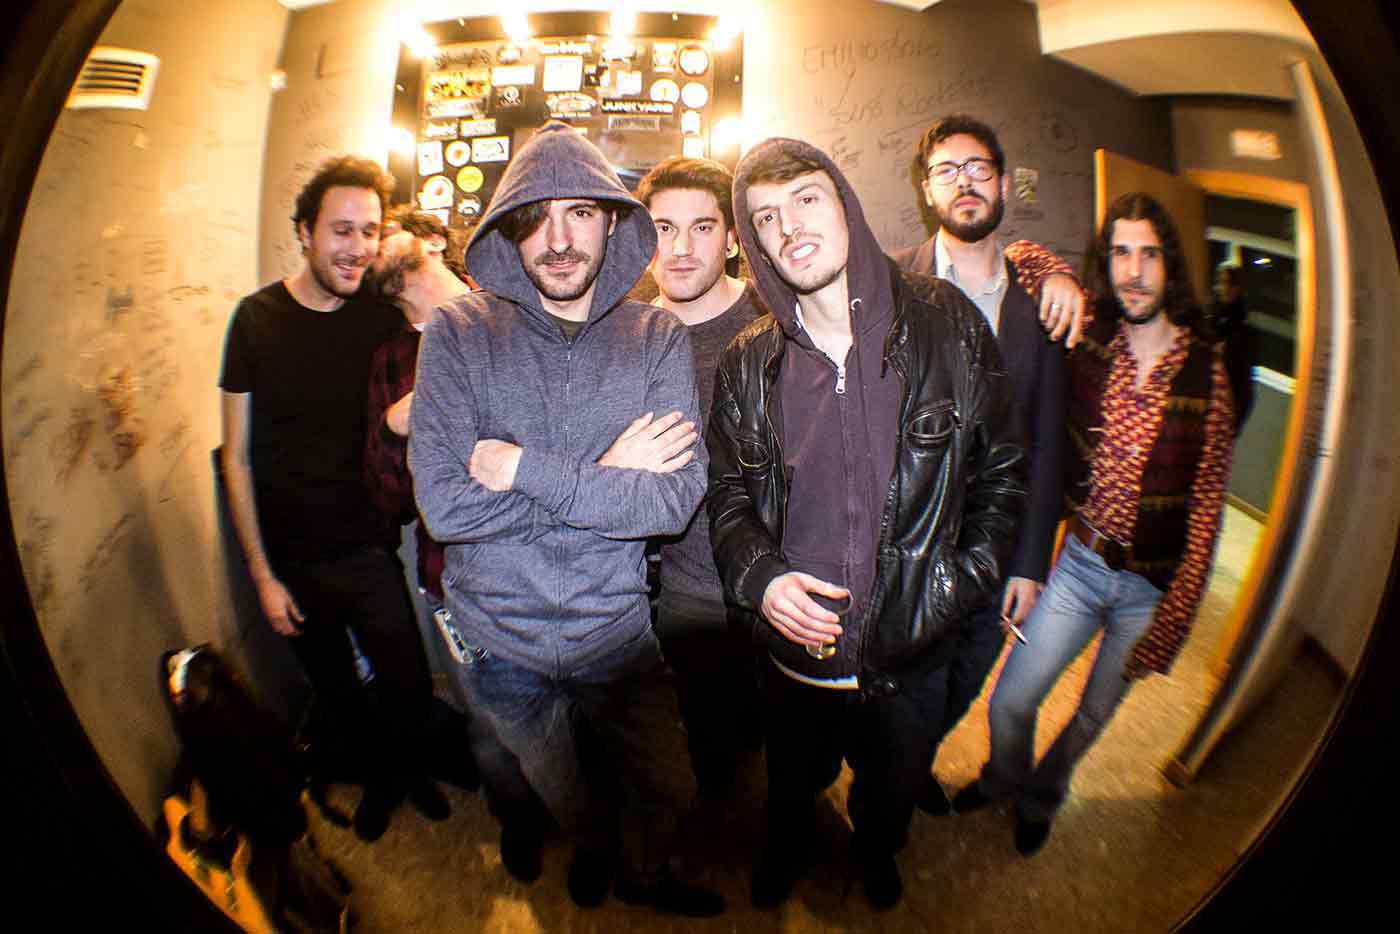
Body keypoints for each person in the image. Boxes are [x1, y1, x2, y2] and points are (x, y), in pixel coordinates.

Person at [409, 122, 723, 917]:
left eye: (580, 212)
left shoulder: (655, 336)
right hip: (497, 638)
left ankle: (636, 867)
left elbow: (671, 503)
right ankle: (600, 854)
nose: (557, 240)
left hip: (614, 632)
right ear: (509, 232)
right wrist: (608, 473)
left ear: (612, 222)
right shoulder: (457, 333)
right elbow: (444, 508)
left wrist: (524, 468)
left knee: (671, 785)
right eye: (536, 218)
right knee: (555, 788)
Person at [707, 137, 1028, 910]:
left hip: (912, 656)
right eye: (766, 216)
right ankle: (789, 849)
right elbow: (726, 495)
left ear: (846, 205)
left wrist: (956, 583)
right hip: (794, 662)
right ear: (754, 243)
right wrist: (761, 578)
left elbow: (1003, 470)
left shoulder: (947, 323)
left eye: (806, 198)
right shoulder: (748, 360)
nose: (789, 226)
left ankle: (876, 851)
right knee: (791, 784)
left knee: (891, 789)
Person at [953, 192, 1234, 857]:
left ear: (1171, 266)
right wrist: (1056, 274)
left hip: (1149, 589)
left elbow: (1206, 510)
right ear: (1105, 264)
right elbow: (1021, 252)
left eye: (1149, 254)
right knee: (1010, 702)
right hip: (1079, 566)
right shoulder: (1088, 338)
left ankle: (1041, 797)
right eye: (1120, 254)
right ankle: (1004, 775)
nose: (1133, 271)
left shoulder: (1208, 376)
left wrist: (1174, 620)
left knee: (1091, 716)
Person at [219, 156, 449, 843]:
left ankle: (412, 769)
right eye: (341, 230)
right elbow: (235, 456)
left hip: (368, 545)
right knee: (339, 690)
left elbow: (448, 315)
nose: (357, 247)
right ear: (305, 231)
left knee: (406, 679)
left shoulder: (377, 318)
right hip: (288, 556)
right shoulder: (255, 319)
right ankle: (381, 777)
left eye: (369, 231)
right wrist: (262, 575)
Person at [893, 114, 1075, 816]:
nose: (964, 182)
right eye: (947, 170)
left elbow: (1048, 441)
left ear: (1002, 183)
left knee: (966, 675)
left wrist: (1031, 562)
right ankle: (895, 777)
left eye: (978, 169)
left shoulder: (1043, 301)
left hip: (997, 544)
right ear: (926, 189)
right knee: (907, 680)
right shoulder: (891, 281)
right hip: (907, 540)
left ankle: (909, 764)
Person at [633, 156, 766, 800]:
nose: (680, 248)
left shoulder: (775, 317)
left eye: (702, 227)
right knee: (709, 731)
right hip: (685, 584)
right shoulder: (625, 333)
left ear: (733, 239)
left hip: (778, 570)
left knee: (783, 731)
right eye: (663, 228)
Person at [1209, 263, 1257, 433]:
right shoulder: (1213, 320)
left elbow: (1245, 386)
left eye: (1227, 283)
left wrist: (1233, 423)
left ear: (1237, 288)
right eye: (1220, 282)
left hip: (1223, 413)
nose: (1222, 288)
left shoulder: (1243, 332)